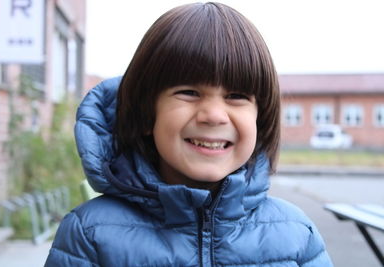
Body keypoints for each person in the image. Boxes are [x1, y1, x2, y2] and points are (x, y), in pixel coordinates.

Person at [45, 2, 333, 266]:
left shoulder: (297, 234)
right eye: (189, 92)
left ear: (261, 118)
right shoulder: (90, 234)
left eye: (236, 95)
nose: (214, 115)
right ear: (147, 114)